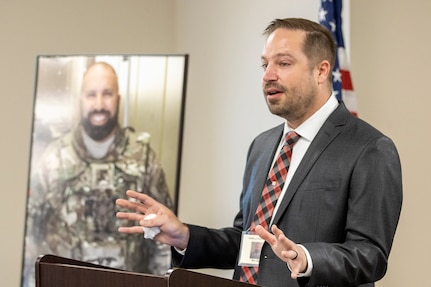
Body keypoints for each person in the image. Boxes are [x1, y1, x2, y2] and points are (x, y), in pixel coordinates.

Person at [115, 18, 402, 287]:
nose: (268, 76)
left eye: (284, 63)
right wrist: (185, 236)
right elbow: (248, 244)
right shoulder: (262, 146)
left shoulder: (370, 148)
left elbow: (370, 255)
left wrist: (306, 258)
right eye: (264, 65)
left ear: (322, 71)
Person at [23, 62, 174, 287]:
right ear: (80, 101)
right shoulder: (53, 159)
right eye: (91, 95)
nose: (99, 104)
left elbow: (162, 241)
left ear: (118, 99)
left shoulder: (143, 159)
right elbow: (33, 238)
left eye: (107, 94)